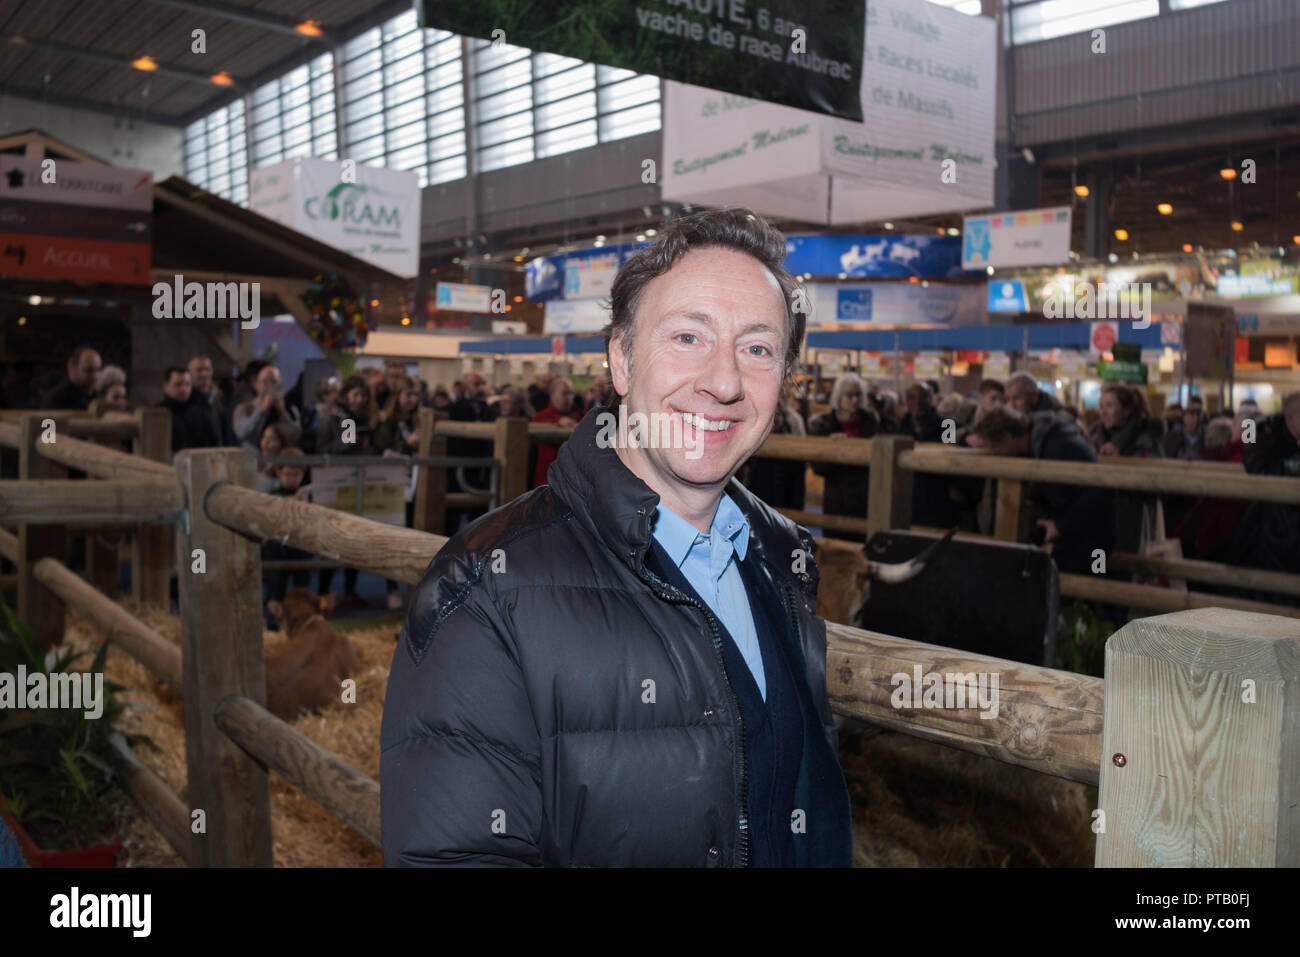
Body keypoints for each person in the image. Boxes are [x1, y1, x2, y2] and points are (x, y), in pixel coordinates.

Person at [382, 207, 853, 867]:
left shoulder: (780, 561)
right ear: (622, 360)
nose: (723, 382)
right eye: (689, 337)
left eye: (757, 348)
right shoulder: (486, 586)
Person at [971, 407, 1115, 575]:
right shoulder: (1044, 442)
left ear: (1008, 437)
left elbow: (1100, 489)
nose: (993, 453)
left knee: (1090, 589)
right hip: (1077, 532)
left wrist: (1060, 526)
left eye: (993, 446)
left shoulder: (1059, 445)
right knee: (1066, 588)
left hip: (1092, 538)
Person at [1224, 391, 1300, 585]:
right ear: (1289, 418)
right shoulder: (1265, 435)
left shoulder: (1260, 432)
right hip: (1273, 526)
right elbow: (1250, 460)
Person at [318, 375, 376, 608]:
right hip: (335, 482)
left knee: (355, 537)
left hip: (358, 483)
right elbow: (324, 448)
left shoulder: (364, 418)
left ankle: (349, 591)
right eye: (355, 395)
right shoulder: (333, 418)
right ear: (346, 395)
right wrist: (350, 442)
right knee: (331, 540)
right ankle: (322, 592)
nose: (360, 400)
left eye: (363, 395)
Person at [807, 373, 877, 542]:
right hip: (838, 498)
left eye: (858, 395)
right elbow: (818, 468)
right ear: (839, 397)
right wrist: (834, 449)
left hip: (866, 498)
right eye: (849, 395)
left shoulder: (872, 423)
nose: (854, 400)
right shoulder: (825, 424)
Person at [262, 447, 312, 624]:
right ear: (279, 472)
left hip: (300, 548)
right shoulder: (272, 496)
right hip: (278, 549)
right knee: (275, 590)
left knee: (302, 590)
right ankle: (272, 626)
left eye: (296, 475)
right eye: (288, 474)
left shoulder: (308, 496)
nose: (292, 479)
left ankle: (301, 623)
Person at [739, 385, 806, 512]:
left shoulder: (793, 421)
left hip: (786, 485)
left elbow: (799, 467)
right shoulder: (754, 419)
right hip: (759, 485)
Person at [898, 382, 957, 528]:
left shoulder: (948, 424)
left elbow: (954, 458)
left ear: (931, 399)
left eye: (923, 397)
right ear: (906, 401)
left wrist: (955, 487)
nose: (917, 402)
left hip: (938, 491)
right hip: (908, 491)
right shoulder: (898, 426)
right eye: (911, 397)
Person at [233, 364, 301, 454]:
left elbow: (297, 436)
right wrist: (262, 411)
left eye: (274, 382)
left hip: (280, 462)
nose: (269, 387)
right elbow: (242, 433)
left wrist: (283, 413)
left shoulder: (290, 408)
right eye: (265, 382)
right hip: (252, 459)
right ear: (256, 384)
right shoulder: (244, 408)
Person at [530, 377, 582, 487]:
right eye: (564, 393)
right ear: (552, 395)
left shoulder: (582, 417)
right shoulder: (540, 418)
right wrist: (557, 423)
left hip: (576, 480)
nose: (569, 397)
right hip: (547, 479)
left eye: (571, 393)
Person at [1090, 384, 1163, 459]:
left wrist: (1118, 459)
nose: (1103, 412)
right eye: (1101, 406)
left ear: (1127, 410)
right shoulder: (1095, 437)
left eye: (1109, 405)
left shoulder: (1145, 441)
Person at [159, 366, 221, 452]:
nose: (183, 389)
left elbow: (215, 442)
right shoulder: (158, 413)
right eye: (178, 384)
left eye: (187, 384)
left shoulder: (202, 412)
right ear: (166, 386)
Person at [188, 355, 233, 446]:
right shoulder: (186, 401)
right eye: (199, 370)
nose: (204, 374)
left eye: (207, 369)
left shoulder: (220, 398)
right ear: (190, 373)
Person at [40, 345, 101, 410]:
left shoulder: (96, 396)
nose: (95, 376)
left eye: (98, 370)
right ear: (72, 368)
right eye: (88, 370)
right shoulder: (55, 400)